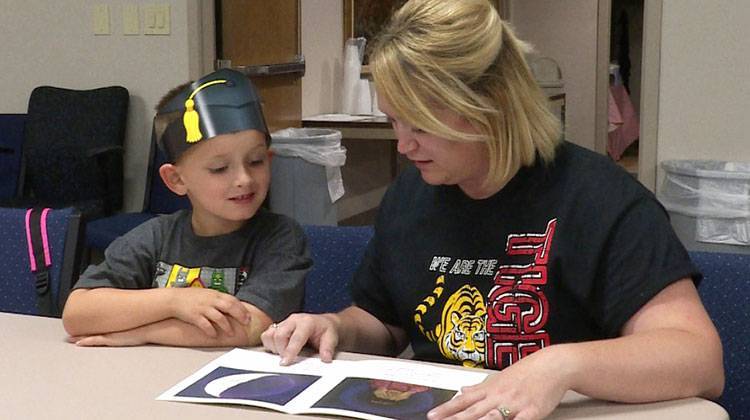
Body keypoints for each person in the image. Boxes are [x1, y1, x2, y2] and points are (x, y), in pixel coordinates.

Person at [261, 1, 724, 419]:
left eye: (420, 124)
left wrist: (564, 365)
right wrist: (335, 327)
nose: (402, 145)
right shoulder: (410, 197)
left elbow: (698, 359)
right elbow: (387, 322)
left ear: (491, 104)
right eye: (393, 121)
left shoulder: (602, 201)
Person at [63, 68, 311, 348]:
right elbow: (77, 313)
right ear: (176, 179)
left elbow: (245, 328)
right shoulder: (157, 236)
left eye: (256, 162)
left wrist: (142, 333)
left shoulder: (280, 238)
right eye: (219, 168)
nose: (244, 179)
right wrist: (173, 301)